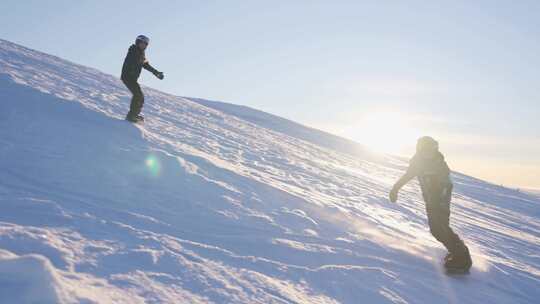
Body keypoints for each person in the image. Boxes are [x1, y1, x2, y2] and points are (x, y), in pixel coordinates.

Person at [389, 136, 472, 271]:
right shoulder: (417, 161)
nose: (429, 154)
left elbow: (447, 184)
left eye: (432, 150)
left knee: (438, 229)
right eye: (426, 151)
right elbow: (408, 175)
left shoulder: (439, 163)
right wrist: (395, 188)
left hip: (441, 200)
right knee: (439, 229)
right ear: (420, 150)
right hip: (430, 199)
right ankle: (458, 251)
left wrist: (439, 197)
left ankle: (462, 259)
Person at [121, 35, 164, 122]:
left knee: (139, 96)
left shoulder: (141, 53)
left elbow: (145, 65)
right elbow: (135, 60)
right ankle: (132, 116)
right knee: (138, 95)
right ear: (137, 42)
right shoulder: (134, 51)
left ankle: (134, 115)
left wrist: (156, 72)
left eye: (145, 44)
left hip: (132, 78)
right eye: (142, 43)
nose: (144, 45)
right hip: (128, 76)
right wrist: (132, 69)